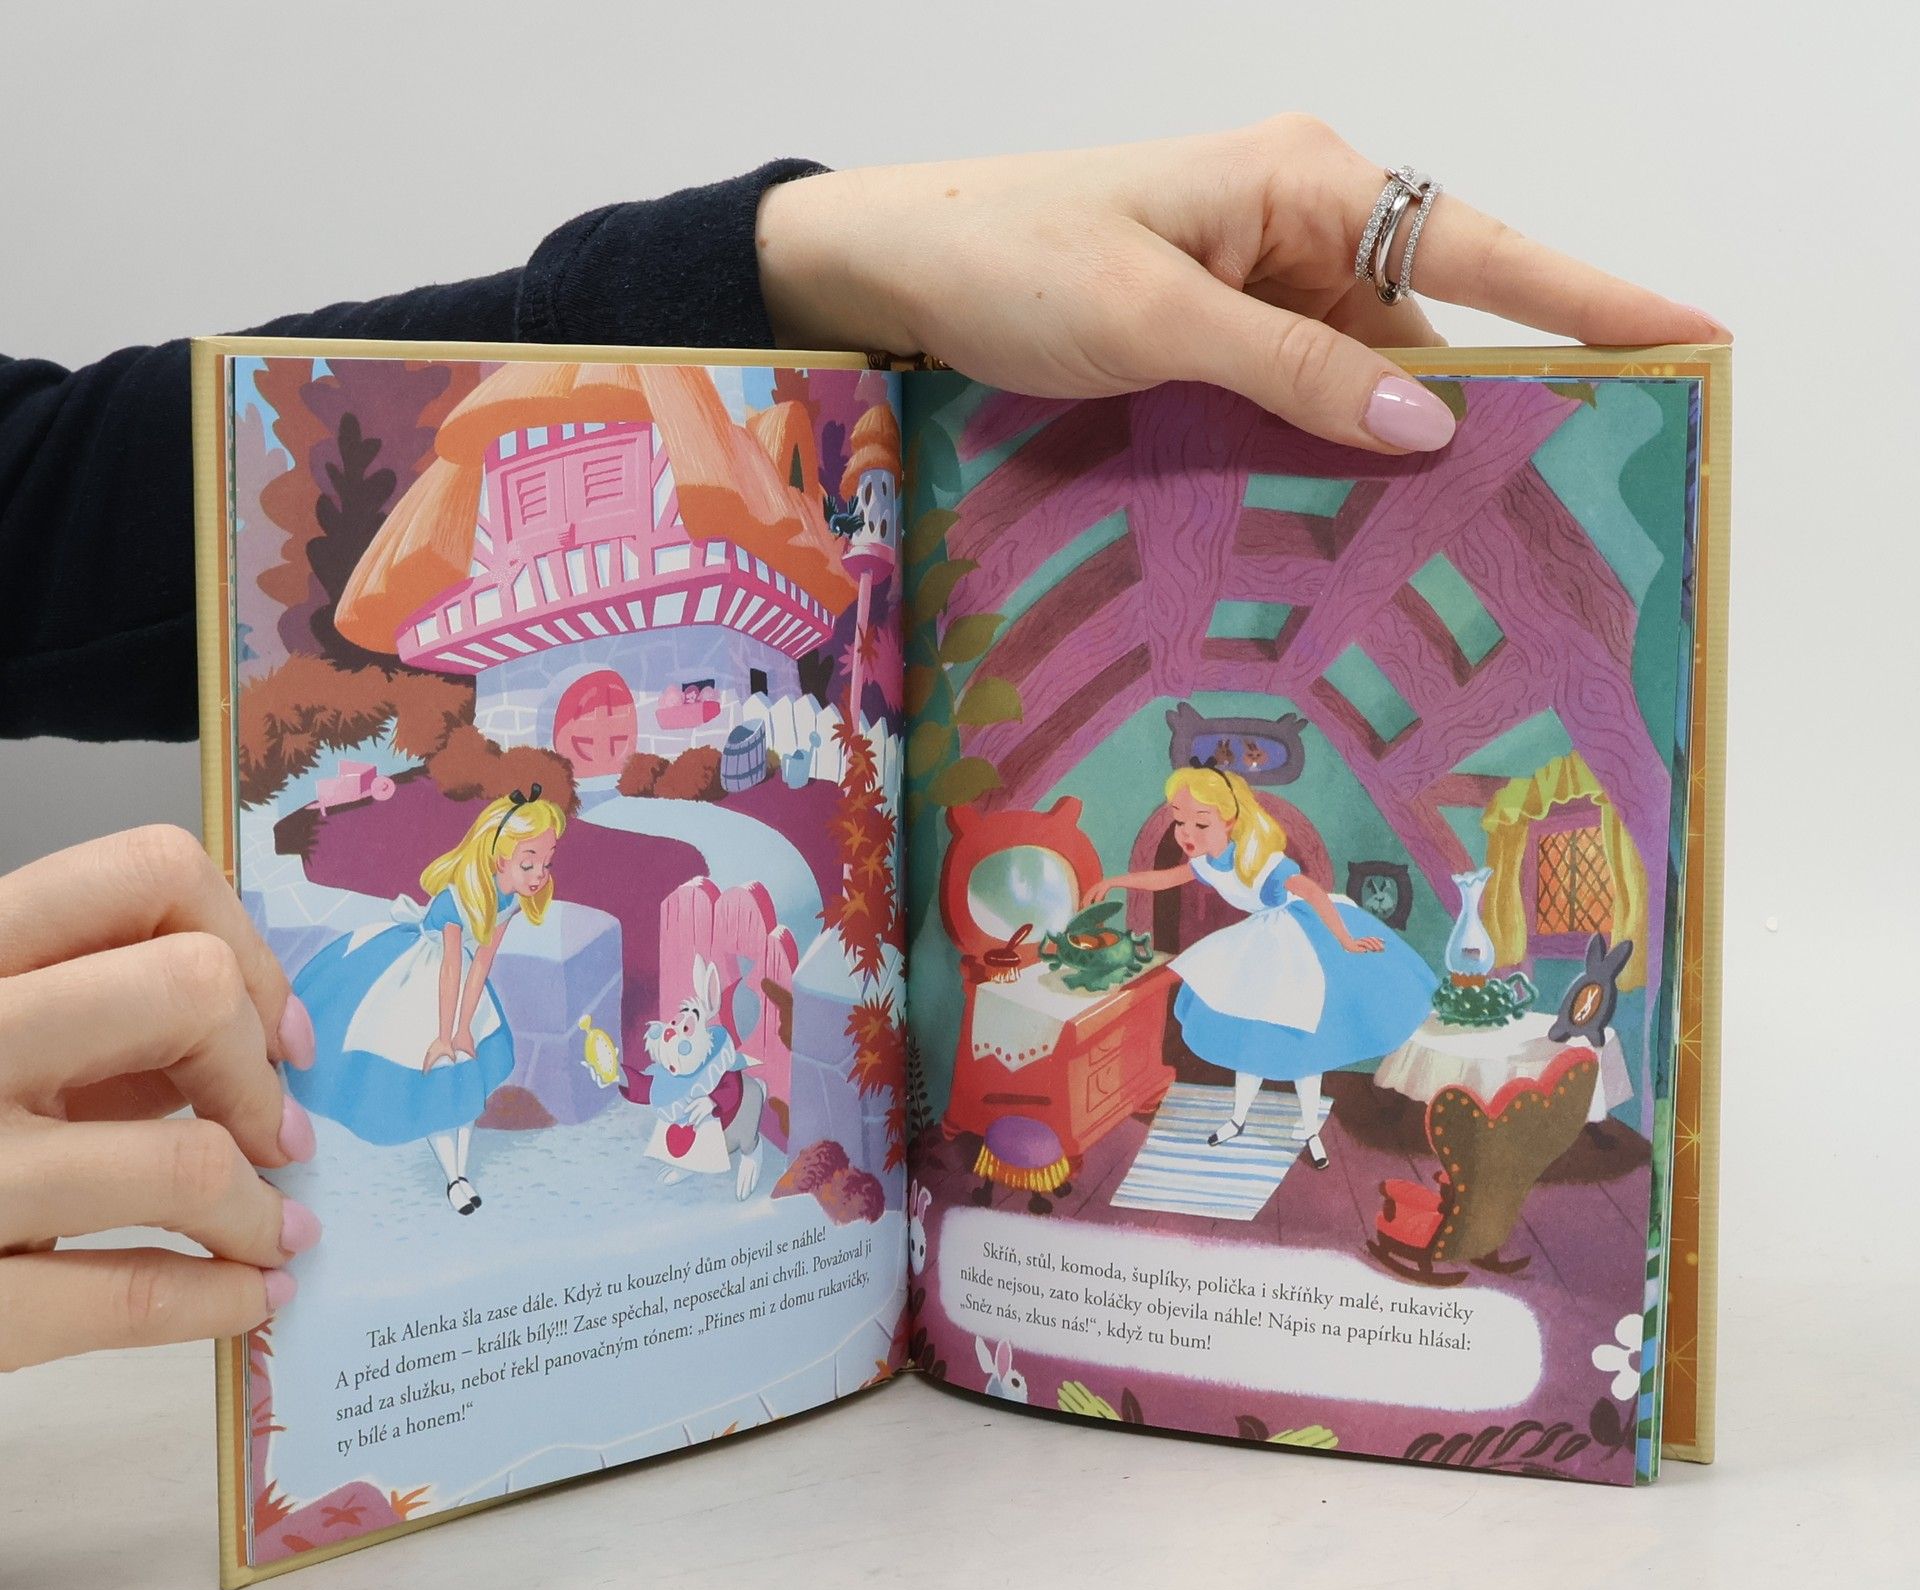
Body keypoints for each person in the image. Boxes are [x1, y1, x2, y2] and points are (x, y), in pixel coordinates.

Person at [0, 117, 1729, 1371]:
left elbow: (39, 494)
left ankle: (1263, 1122)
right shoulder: (541, 807)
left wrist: (781, 258)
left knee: (1255, 1019)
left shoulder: (1254, 862)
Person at [1088, 767, 1435, 1167]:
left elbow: (1313, 893)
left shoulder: (1261, 861)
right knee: (1250, 1034)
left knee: (1305, 1036)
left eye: (1201, 822)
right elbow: (1165, 879)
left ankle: (1310, 1131)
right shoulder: (1207, 863)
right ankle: (1238, 1119)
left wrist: (1344, 939)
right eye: (1180, 821)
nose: (1186, 833)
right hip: (1262, 941)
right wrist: (1116, 882)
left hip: (1303, 938)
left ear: (1229, 820)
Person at [285, 788, 565, 1215]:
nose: (539, 875)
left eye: (546, 863)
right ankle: (455, 1177)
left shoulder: (511, 901)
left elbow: (481, 963)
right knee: (439, 1073)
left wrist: (466, 1028)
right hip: (425, 976)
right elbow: (449, 969)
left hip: (462, 982)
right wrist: (443, 1035)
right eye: (529, 863)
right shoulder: (459, 897)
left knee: (465, 1075)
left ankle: (458, 1174)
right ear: (499, 860)